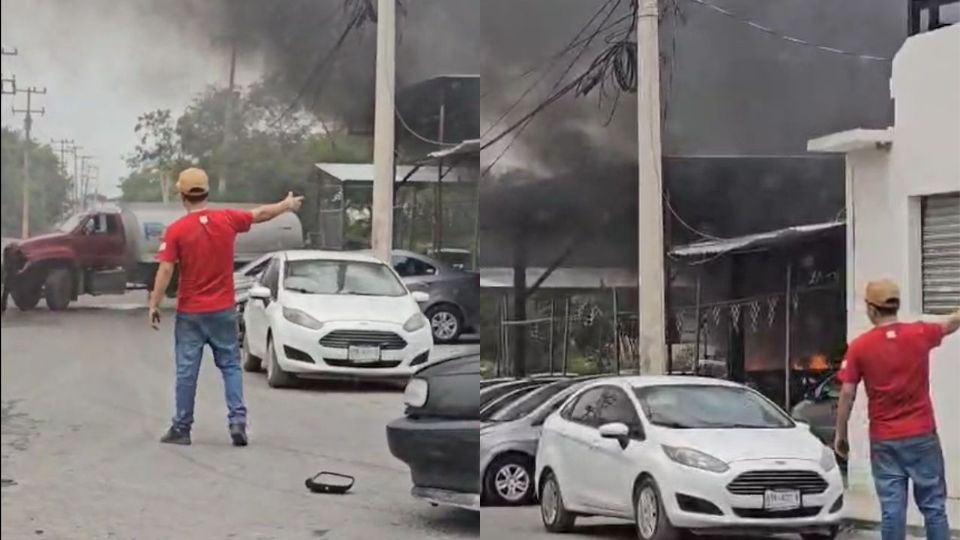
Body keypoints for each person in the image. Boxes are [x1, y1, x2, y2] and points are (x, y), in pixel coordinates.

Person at [148, 167, 303, 447]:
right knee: (231, 366)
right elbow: (261, 214)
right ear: (207, 192)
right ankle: (237, 421)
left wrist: (154, 304)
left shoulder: (176, 231)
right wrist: (287, 205)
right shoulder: (227, 219)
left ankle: (182, 428)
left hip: (191, 313)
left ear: (183, 196)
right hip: (223, 310)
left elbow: (166, 270)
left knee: (187, 371)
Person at [834, 279, 960, 540]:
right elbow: (952, 322)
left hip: (885, 441)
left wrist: (841, 435)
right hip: (922, 435)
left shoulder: (860, 346)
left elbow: (847, 393)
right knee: (934, 508)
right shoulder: (920, 333)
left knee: (892, 510)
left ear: (871, 309)